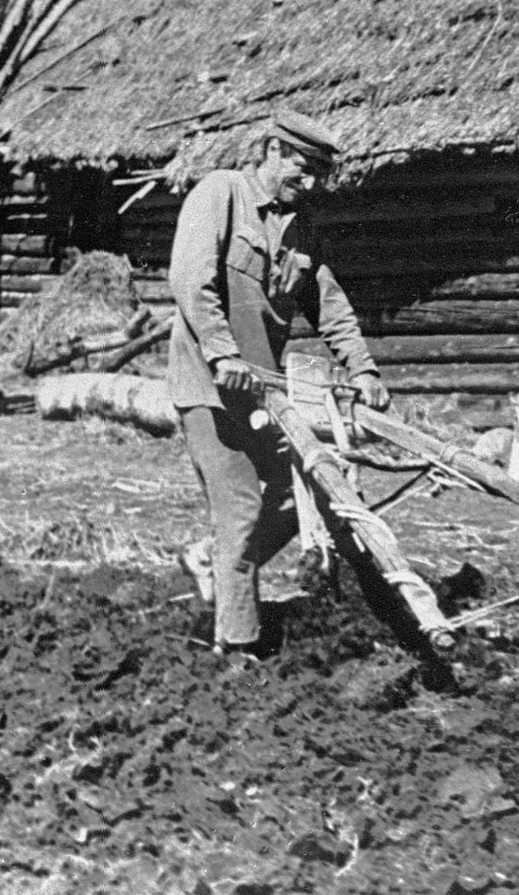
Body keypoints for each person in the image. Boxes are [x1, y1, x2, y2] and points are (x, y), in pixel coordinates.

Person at [169, 109, 389, 658]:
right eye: (303, 167)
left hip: (260, 390)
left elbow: (328, 303)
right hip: (209, 385)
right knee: (242, 505)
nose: (311, 182)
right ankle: (238, 646)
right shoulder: (220, 194)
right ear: (271, 150)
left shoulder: (300, 226)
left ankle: (208, 561)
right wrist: (221, 354)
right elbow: (190, 280)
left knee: (308, 488)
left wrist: (362, 367)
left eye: (318, 172)